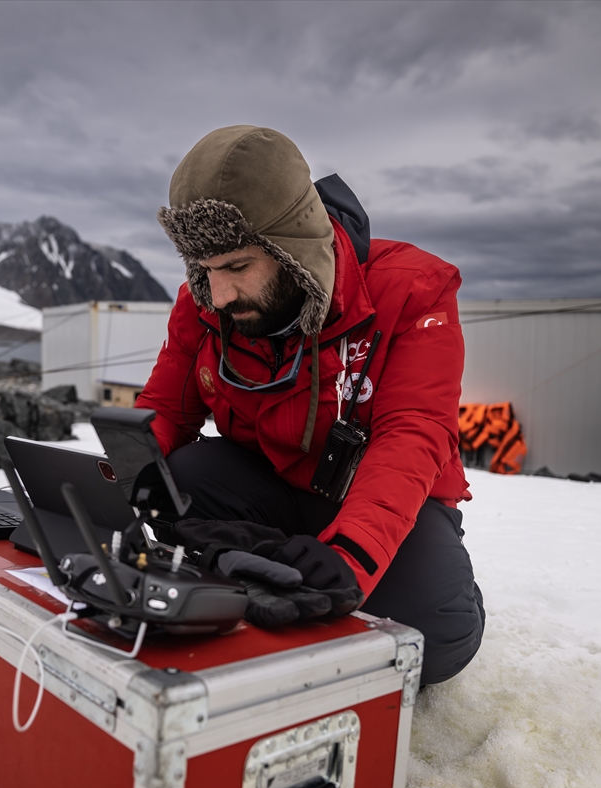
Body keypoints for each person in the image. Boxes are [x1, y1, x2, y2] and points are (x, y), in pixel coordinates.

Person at [135, 125, 483, 684]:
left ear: (290, 246)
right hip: (274, 489)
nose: (217, 294)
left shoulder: (413, 289)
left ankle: (314, 569)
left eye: (237, 266)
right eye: (203, 270)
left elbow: (413, 433)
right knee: (178, 478)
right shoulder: (207, 302)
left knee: (436, 636)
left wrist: (350, 555)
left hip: (383, 497)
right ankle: (284, 567)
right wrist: (115, 477)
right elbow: (167, 410)